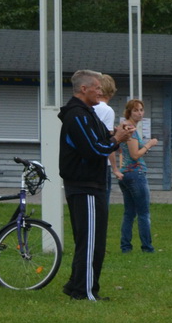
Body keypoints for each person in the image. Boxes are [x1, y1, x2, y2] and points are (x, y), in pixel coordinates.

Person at [57, 69, 134, 301]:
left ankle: (76, 285)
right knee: (91, 242)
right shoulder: (77, 115)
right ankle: (84, 292)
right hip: (85, 186)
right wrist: (117, 140)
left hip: (91, 185)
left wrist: (116, 134)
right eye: (97, 88)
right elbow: (93, 150)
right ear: (84, 89)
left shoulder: (87, 114)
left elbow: (101, 141)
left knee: (91, 240)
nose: (101, 92)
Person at [117, 98, 159, 254]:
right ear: (129, 112)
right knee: (143, 213)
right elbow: (135, 155)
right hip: (136, 174)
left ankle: (125, 247)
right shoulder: (130, 129)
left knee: (129, 213)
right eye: (135, 110)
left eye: (141, 110)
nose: (139, 113)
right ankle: (147, 248)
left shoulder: (124, 127)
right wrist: (149, 144)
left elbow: (123, 152)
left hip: (125, 173)